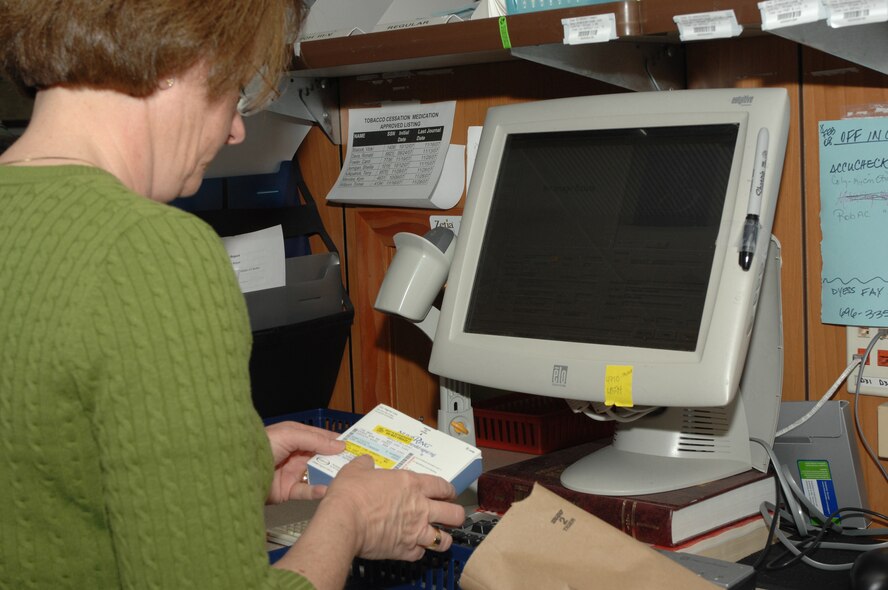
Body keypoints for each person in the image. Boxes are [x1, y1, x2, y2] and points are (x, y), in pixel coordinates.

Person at [0, 2, 466, 589]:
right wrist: (352, 518)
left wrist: (226, 468)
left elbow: (45, 478)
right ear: (178, 56)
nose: (235, 128)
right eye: (233, 88)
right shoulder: (150, 252)